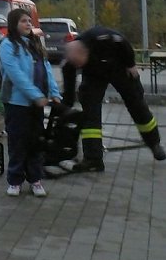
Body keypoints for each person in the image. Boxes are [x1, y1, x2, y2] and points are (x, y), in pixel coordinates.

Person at [63, 26, 165, 172]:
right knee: (90, 112)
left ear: (85, 51)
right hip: (94, 75)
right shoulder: (71, 61)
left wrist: (130, 65)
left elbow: (123, 42)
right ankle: (93, 159)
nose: (78, 66)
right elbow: (69, 89)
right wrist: (66, 107)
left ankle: (154, 143)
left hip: (119, 66)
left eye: (80, 63)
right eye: (77, 65)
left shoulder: (102, 38)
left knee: (137, 105)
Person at [0, 9, 62, 197]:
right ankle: (14, 180)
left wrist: (53, 92)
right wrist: (35, 95)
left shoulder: (35, 44)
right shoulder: (8, 45)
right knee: (18, 142)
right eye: (23, 21)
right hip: (16, 103)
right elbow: (15, 74)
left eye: (29, 21)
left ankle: (35, 179)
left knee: (35, 142)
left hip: (37, 104)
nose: (28, 24)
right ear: (13, 24)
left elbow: (47, 70)